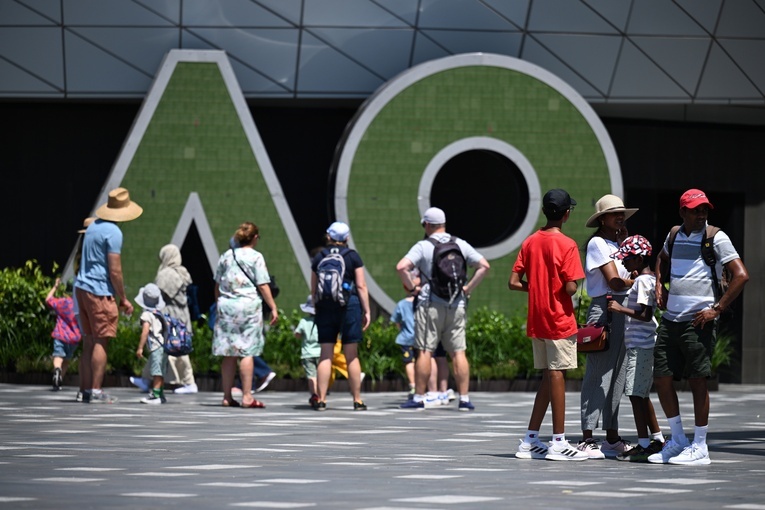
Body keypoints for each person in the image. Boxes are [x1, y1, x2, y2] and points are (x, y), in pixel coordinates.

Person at [649, 189, 749, 465]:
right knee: (662, 378)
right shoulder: (674, 234)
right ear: (682, 212)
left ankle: (700, 446)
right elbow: (661, 258)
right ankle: (678, 440)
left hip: (698, 321)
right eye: (695, 209)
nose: (701, 213)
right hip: (671, 319)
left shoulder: (716, 237)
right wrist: (660, 284)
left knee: (697, 380)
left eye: (704, 208)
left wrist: (716, 310)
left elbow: (741, 275)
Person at [508, 188, 588, 461]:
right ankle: (558, 441)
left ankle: (530, 439)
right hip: (558, 319)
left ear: (544, 211)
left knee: (547, 376)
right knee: (558, 375)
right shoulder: (567, 244)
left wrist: (537, 287)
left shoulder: (530, 241)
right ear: (566, 215)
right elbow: (570, 288)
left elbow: (514, 282)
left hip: (537, 318)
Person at [397, 206, 490, 411]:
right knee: (458, 352)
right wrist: (467, 289)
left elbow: (401, 267)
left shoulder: (423, 246)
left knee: (424, 351)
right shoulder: (459, 243)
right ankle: (464, 398)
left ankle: (419, 397)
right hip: (457, 304)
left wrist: (413, 288)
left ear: (428, 225)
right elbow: (484, 266)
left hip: (430, 304)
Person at [578, 194, 637, 457]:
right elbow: (614, 281)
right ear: (602, 219)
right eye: (614, 213)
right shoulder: (597, 243)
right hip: (605, 307)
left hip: (623, 308)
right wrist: (638, 281)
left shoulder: (618, 243)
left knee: (619, 376)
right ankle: (587, 437)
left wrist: (626, 246)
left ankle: (611, 437)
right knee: (598, 374)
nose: (620, 217)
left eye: (621, 213)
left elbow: (632, 270)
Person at [75, 187, 142, 404]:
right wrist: (123, 298)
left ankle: (84, 390)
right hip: (99, 291)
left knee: (88, 340)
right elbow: (115, 270)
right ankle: (96, 391)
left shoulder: (93, 226)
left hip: (81, 288)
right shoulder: (114, 233)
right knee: (101, 341)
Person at [606, 235, 666, 461]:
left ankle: (643, 444)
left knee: (634, 394)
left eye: (627, 259)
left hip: (640, 346)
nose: (622, 263)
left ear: (639, 259)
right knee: (640, 394)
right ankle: (657, 438)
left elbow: (645, 314)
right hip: (642, 345)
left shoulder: (642, 282)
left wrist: (619, 309)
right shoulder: (647, 279)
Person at [213, 222, 278, 408]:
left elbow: (216, 284)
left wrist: (220, 302)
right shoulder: (256, 257)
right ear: (255, 238)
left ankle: (227, 396)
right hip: (248, 307)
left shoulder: (226, 256)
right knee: (247, 351)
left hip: (226, 306)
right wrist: (272, 306)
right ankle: (247, 396)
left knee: (229, 352)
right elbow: (263, 284)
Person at [311, 221, 371, 411]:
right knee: (351, 355)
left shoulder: (320, 256)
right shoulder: (352, 256)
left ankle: (321, 399)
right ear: (346, 238)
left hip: (325, 306)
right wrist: (367, 310)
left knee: (325, 354)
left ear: (328, 236)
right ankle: (357, 400)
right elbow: (361, 285)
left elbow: (313, 288)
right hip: (349, 306)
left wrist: (316, 306)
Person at [134, 283, 169, 404]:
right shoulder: (159, 314)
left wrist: (140, 348)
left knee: (156, 372)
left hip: (156, 346)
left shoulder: (146, 315)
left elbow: (145, 332)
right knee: (160, 371)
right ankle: (161, 394)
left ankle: (155, 396)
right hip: (164, 346)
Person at [45, 277, 81, 391]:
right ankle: (59, 381)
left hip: (60, 335)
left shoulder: (62, 302)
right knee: (67, 359)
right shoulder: (80, 305)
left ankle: (57, 370)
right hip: (74, 338)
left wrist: (55, 286)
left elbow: (48, 299)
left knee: (58, 355)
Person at [390, 269, 419, 400]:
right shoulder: (421, 303)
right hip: (420, 338)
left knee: (409, 362)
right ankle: (422, 385)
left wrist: (401, 328)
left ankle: (412, 384)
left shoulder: (401, 304)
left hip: (406, 338)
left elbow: (395, 320)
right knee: (421, 360)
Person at [294, 295, 320, 406]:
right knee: (321, 374)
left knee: (311, 376)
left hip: (307, 353)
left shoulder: (304, 321)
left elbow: (297, 334)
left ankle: (314, 395)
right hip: (321, 353)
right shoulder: (322, 320)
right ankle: (321, 395)